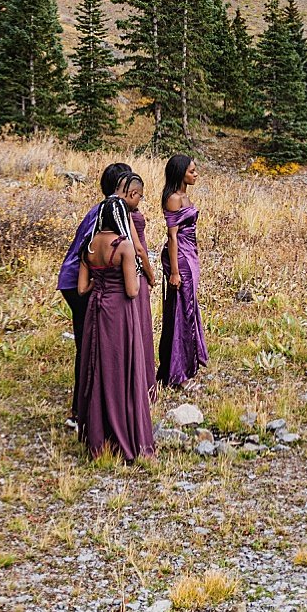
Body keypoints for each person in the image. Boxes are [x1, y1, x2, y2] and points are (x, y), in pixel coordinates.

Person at [74, 197, 156, 461]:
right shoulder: (124, 247)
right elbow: (132, 291)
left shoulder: (89, 245)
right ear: (122, 218)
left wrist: (100, 284)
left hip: (95, 312)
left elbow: (81, 289)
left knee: (97, 370)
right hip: (119, 312)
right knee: (121, 370)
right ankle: (125, 435)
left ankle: (99, 437)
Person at [58, 162, 132, 428]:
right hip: (78, 282)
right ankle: (82, 411)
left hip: (72, 280)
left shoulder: (102, 211)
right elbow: (91, 252)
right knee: (89, 345)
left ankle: (90, 407)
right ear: (120, 188)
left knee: (90, 343)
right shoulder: (107, 214)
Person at [157, 153, 208, 389]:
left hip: (191, 254)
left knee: (189, 308)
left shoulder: (185, 195)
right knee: (181, 311)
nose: (195, 174)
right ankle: (178, 374)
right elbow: (172, 237)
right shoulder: (173, 199)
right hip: (180, 258)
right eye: (192, 171)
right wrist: (175, 272)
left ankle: (187, 365)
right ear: (180, 173)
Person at [121, 170, 156, 380]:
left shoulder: (116, 211)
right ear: (133, 193)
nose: (141, 200)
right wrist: (150, 274)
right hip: (138, 270)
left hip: (132, 268)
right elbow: (139, 249)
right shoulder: (126, 213)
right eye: (140, 196)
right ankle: (143, 379)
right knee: (141, 323)